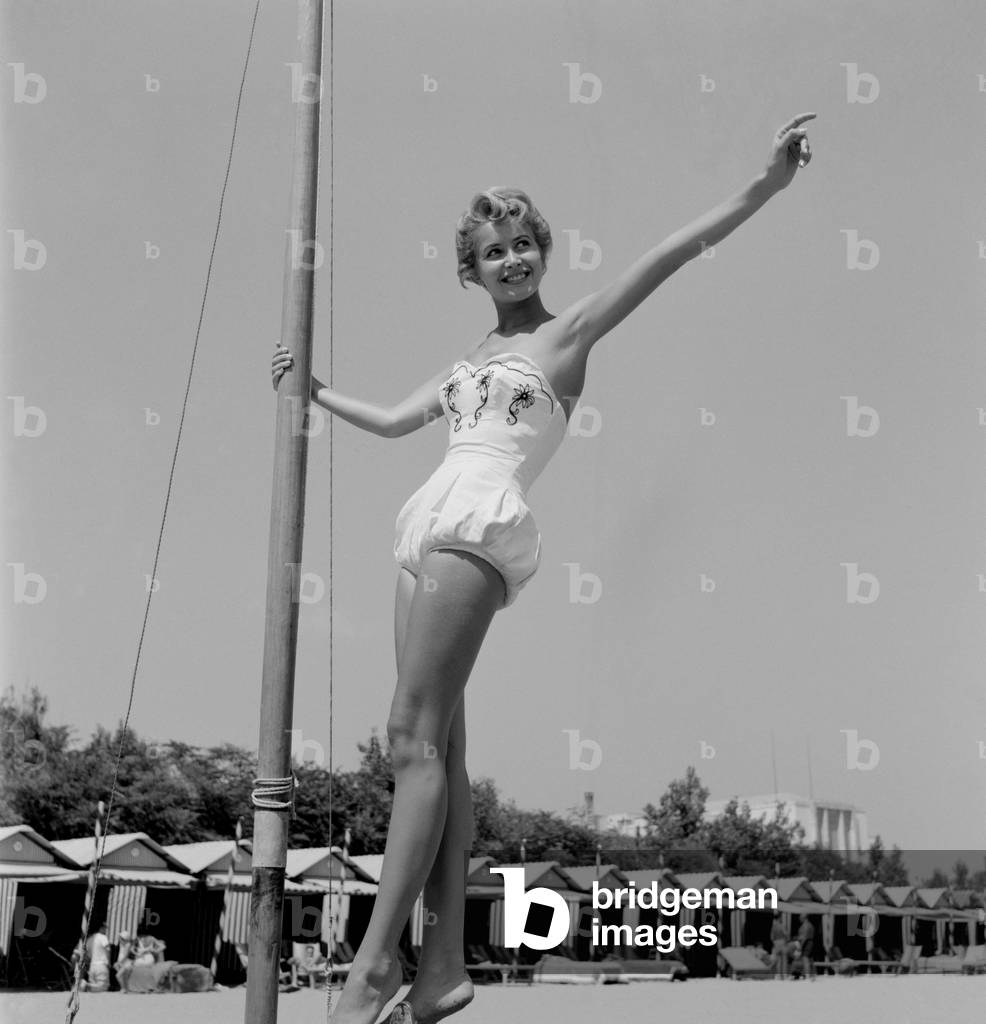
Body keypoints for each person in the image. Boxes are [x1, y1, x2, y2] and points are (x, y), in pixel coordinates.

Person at [271, 113, 815, 1024]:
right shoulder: (466, 363)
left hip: (479, 524)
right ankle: (440, 964)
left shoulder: (567, 336)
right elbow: (399, 420)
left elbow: (674, 252)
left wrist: (765, 185)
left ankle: (371, 969)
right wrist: (311, 388)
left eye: (525, 244)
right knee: (439, 749)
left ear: (543, 254)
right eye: (495, 250)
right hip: (425, 523)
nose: (513, 259)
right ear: (470, 270)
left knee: (408, 742)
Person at [85, 922, 111, 993]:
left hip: (92, 966)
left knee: (93, 989)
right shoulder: (103, 937)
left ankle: (87, 986)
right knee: (104, 987)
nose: (106, 930)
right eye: (105, 928)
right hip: (101, 965)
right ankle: (85, 985)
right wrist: (109, 962)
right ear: (101, 928)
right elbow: (108, 949)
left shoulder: (90, 939)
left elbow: (88, 954)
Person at [796, 914, 816, 980]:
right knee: (810, 959)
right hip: (810, 942)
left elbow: (804, 937)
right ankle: (812, 974)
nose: (799, 919)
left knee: (805, 958)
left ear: (805, 918)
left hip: (807, 942)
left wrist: (800, 946)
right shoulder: (808, 925)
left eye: (800, 917)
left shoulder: (806, 925)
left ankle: (807, 975)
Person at [769, 911, 788, 977]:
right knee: (784, 960)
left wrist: (774, 943)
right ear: (779, 917)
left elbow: (771, 937)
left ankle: (779, 975)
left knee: (778, 960)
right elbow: (786, 934)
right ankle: (784, 975)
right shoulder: (782, 925)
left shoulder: (773, 926)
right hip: (782, 942)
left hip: (776, 943)